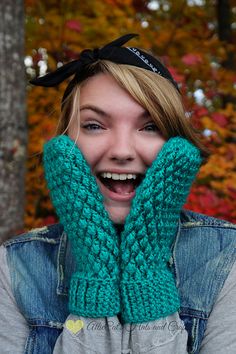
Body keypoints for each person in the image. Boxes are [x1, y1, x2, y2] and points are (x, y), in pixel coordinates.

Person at [0, 34, 235, 354]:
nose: (122, 151)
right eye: (95, 125)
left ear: (175, 146)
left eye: (150, 126)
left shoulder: (226, 258)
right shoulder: (15, 267)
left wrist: (147, 273)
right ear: (66, 144)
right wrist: (95, 275)